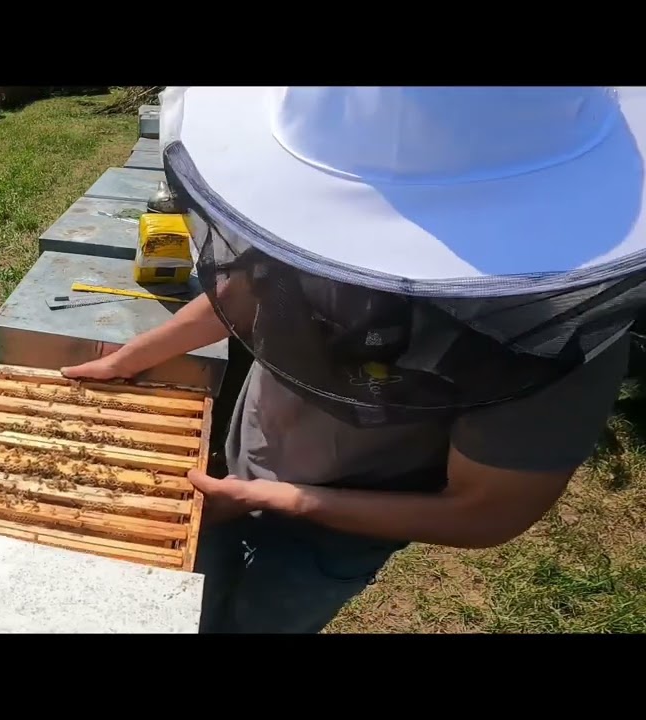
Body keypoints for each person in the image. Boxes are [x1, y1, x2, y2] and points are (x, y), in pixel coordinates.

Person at [63, 86, 646, 633]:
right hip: (247, 461)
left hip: (340, 530)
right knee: (192, 600)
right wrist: (132, 356)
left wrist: (279, 500)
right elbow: (246, 291)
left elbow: (486, 512)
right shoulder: (313, 217)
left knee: (263, 620)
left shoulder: (554, 341)